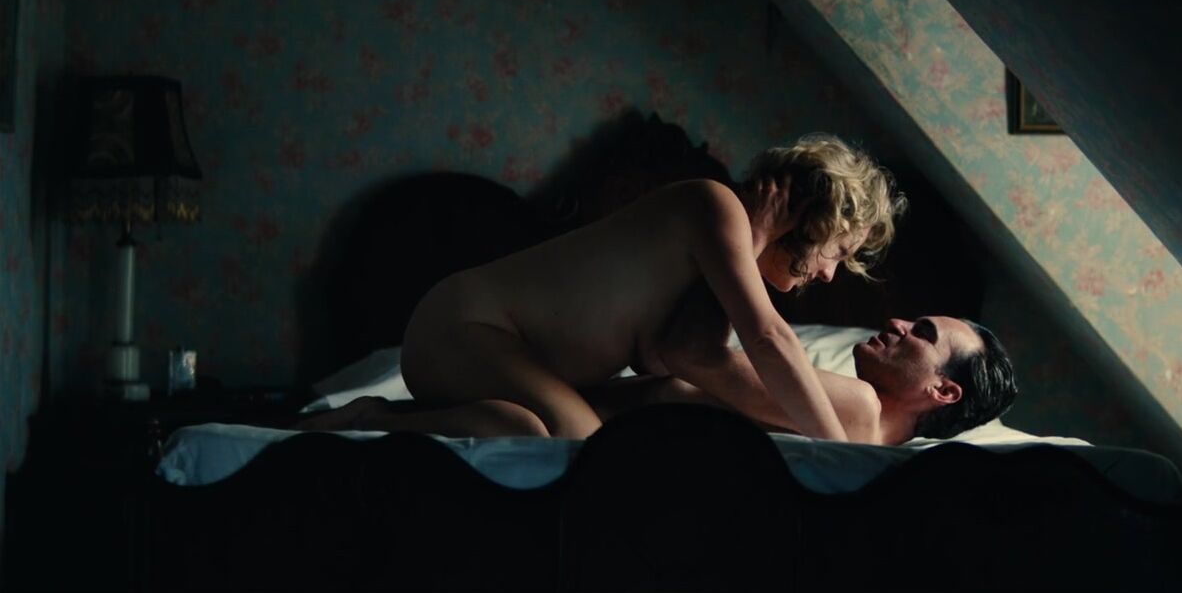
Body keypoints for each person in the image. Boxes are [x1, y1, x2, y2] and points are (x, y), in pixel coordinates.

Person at [299, 134, 907, 441]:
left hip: (494, 348)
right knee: (579, 440)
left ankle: (382, 418)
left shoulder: (714, 273)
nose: (828, 275)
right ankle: (370, 420)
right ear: (813, 216)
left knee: (521, 428)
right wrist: (840, 452)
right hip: (464, 327)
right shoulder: (713, 204)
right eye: (838, 252)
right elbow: (769, 338)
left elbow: (681, 354)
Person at [588, 315, 1017, 445]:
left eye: (923, 333)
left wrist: (752, 239)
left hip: (588, 426)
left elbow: (690, 353)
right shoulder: (859, 427)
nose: (897, 323)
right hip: (598, 418)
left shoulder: (862, 407)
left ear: (943, 390)